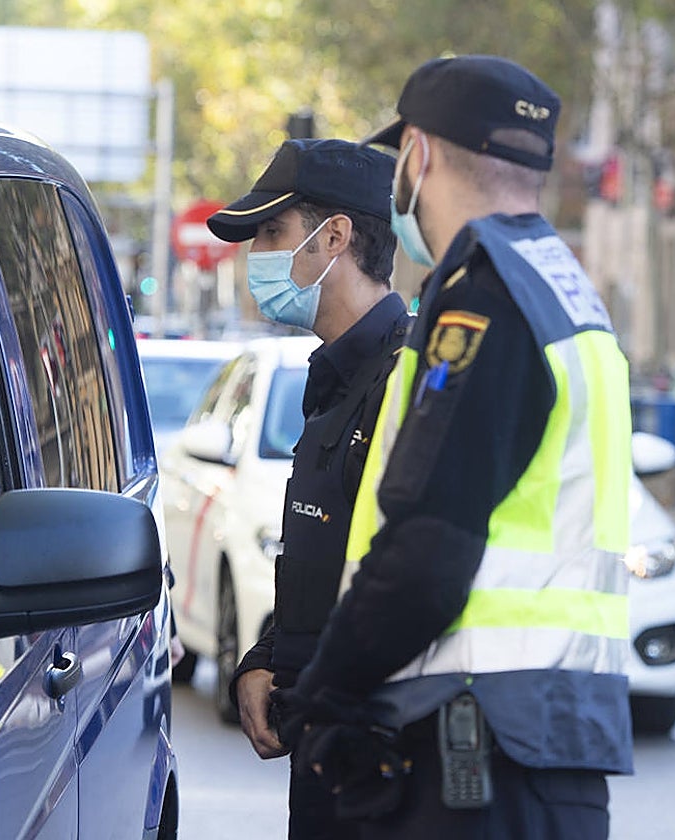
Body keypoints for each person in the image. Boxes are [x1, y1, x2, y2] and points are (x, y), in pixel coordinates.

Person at [269, 55, 633, 839]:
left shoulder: (485, 296)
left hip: (477, 739)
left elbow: (430, 544)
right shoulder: (564, 287)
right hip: (549, 732)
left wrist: (324, 691)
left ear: (419, 155)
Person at [206, 137, 409, 840]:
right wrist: (265, 662)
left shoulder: (405, 381)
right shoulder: (334, 381)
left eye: (271, 232)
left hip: (381, 755)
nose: (255, 254)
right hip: (328, 740)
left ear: (336, 238)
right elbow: (326, 567)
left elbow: (402, 575)